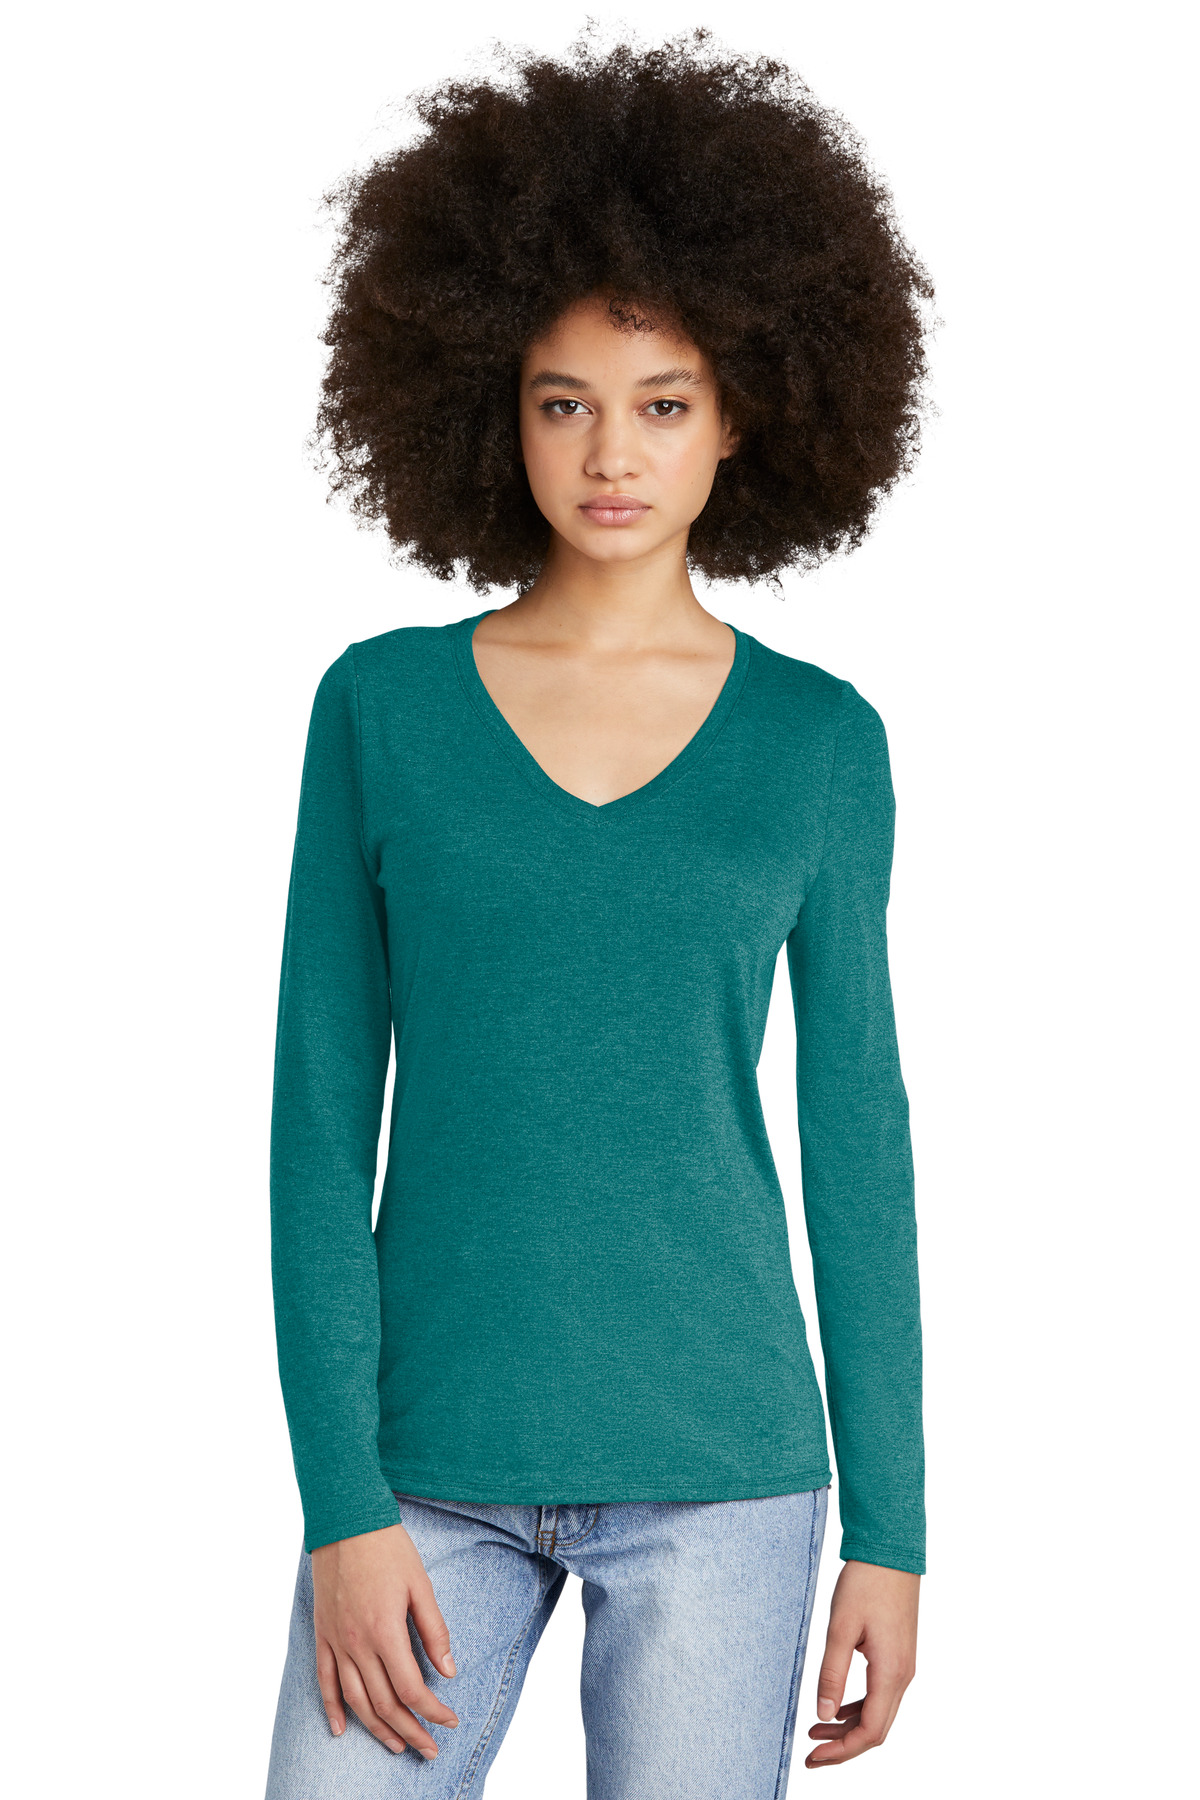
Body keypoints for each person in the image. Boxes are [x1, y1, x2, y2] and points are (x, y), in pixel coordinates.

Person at [265, 31, 931, 1798]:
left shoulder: (818, 744)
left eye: (663, 403)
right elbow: (318, 1125)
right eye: (564, 401)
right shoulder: (381, 709)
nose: (610, 453)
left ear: (745, 414)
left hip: (726, 1472)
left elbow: (859, 1138)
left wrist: (895, 1527)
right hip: (422, 1475)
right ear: (495, 407)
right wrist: (340, 1503)